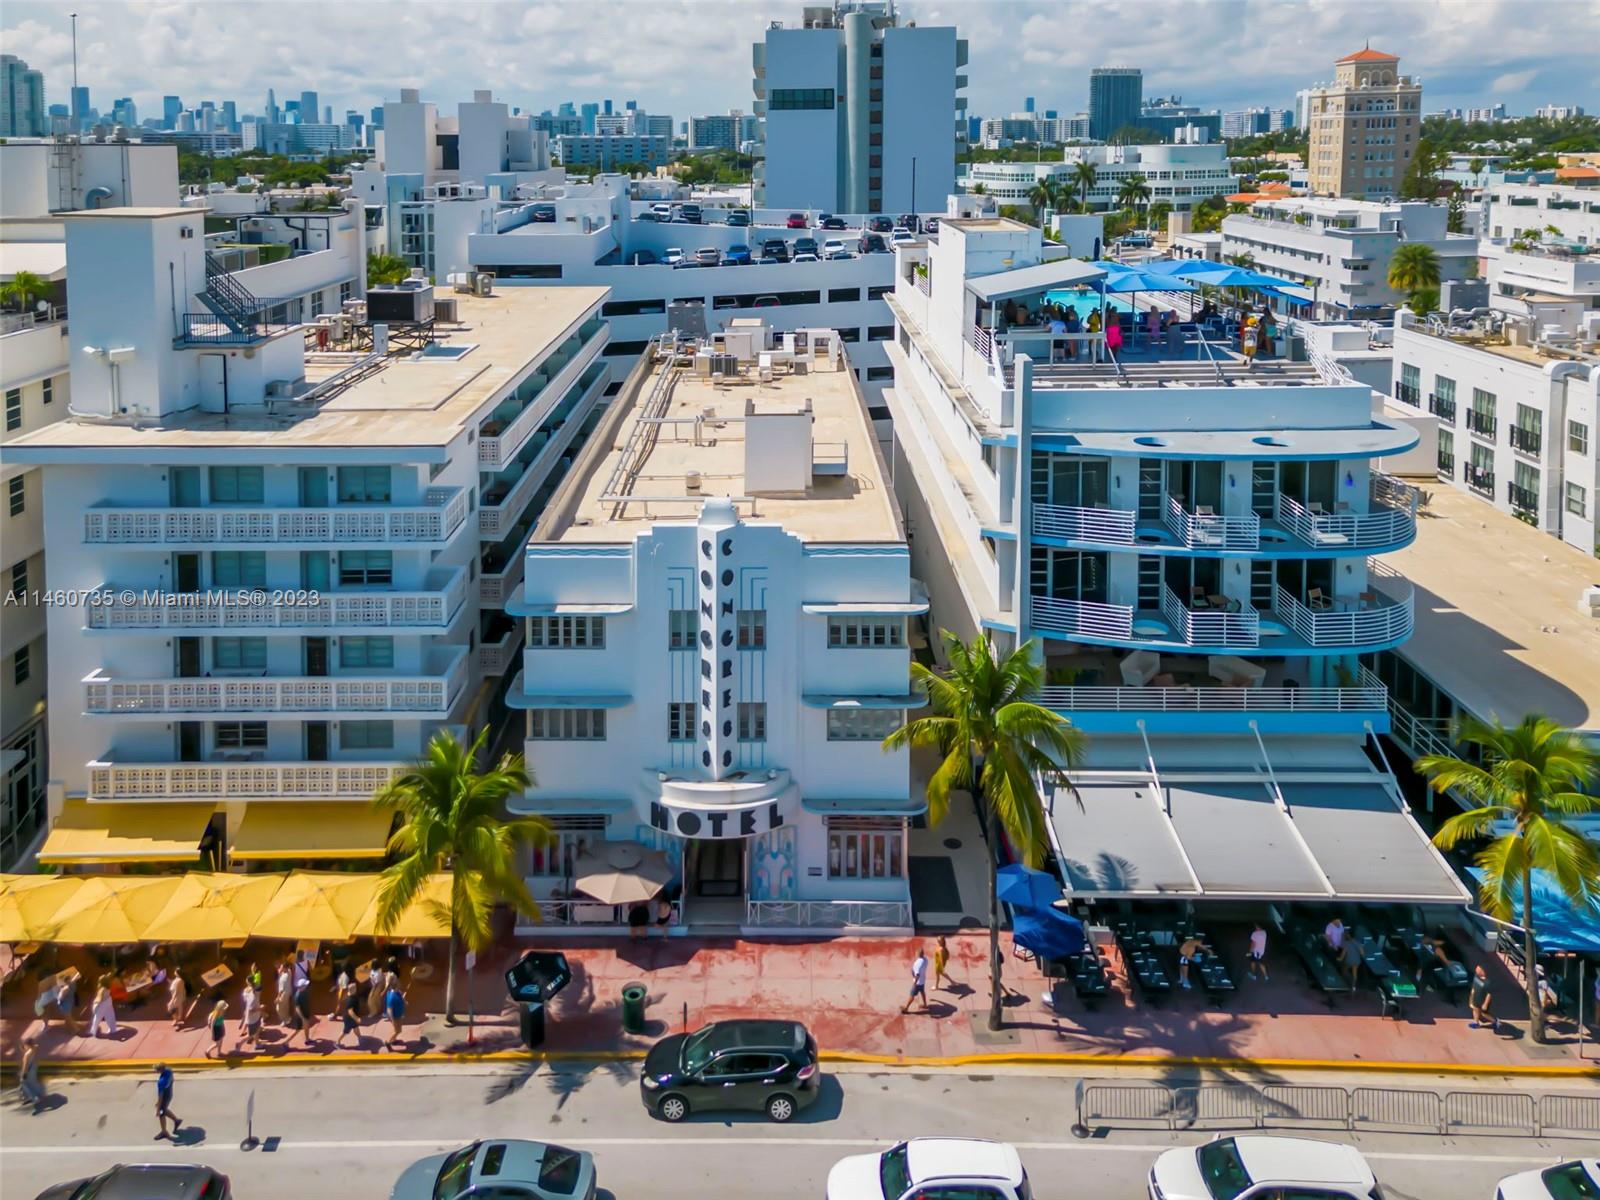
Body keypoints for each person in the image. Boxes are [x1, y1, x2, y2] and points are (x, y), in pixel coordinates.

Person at [153, 1062, 182, 1140]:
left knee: (161, 1113)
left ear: (159, 1070)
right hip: (169, 1093)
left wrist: (158, 1109)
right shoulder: (169, 1071)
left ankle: (164, 1132)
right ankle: (176, 1120)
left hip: (165, 1097)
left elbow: (161, 1096)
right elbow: (172, 1080)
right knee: (165, 1110)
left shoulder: (161, 1082)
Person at [18, 1035, 46, 1114]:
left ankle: (34, 1098)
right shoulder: (34, 1048)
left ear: (27, 1045)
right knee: (33, 1082)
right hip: (33, 1067)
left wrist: (23, 1074)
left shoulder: (26, 1055)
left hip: (28, 1070)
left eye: (25, 1045)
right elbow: (36, 1045)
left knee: (24, 1084)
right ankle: (39, 1095)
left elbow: (25, 1065)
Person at [901, 945, 930, 1014]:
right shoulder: (925, 960)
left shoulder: (917, 964)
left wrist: (915, 983)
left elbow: (917, 975)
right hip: (922, 981)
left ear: (918, 954)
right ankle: (925, 1004)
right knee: (922, 992)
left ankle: (906, 1008)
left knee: (912, 995)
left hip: (917, 983)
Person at [1468, 964, 1497, 1031]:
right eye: (1476, 968)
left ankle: (1495, 1021)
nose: (1476, 970)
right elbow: (1473, 987)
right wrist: (1471, 997)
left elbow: (1489, 994)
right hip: (1476, 998)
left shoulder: (1487, 982)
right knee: (1475, 1009)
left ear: (1483, 971)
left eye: (1478, 969)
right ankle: (1476, 1023)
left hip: (1483, 1000)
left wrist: (1485, 1004)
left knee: (1484, 1014)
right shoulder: (1476, 976)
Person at [336, 980, 362, 1048]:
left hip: (349, 1017)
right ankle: (337, 1042)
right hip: (349, 1018)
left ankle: (359, 1037)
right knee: (346, 1031)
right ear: (353, 990)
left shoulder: (348, 995)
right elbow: (350, 1012)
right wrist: (357, 1018)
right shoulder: (351, 1000)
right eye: (355, 988)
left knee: (355, 1027)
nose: (356, 989)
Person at [383, 978, 407, 1050]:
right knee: (398, 1031)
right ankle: (388, 1042)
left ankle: (394, 1040)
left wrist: (404, 1001)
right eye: (399, 984)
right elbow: (389, 1010)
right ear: (396, 986)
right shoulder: (392, 997)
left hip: (399, 1014)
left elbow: (401, 996)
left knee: (396, 1030)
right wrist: (392, 1020)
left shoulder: (397, 992)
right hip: (395, 1017)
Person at [239, 980, 262, 1051]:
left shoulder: (254, 995)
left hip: (256, 1017)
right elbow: (250, 1010)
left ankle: (257, 1044)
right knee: (251, 1035)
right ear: (256, 991)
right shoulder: (253, 998)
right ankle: (239, 1043)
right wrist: (260, 1008)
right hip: (252, 1020)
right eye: (260, 991)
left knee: (257, 1030)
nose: (261, 992)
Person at [274, 959, 293, 1026]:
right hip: (289, 992)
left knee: (278, 1008)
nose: (281, 968)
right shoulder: (289, 972)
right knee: (286, 1006)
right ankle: (288, 1018)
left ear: (285, 968)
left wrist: (277, 997)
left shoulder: (283, 978)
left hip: (283, 994)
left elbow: (281, 990)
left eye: (282, 967)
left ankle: (285, 1020)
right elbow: (284, 971)